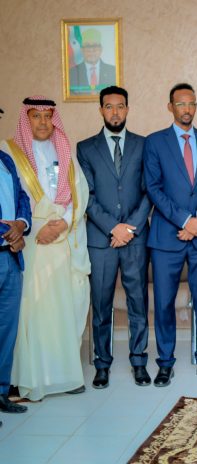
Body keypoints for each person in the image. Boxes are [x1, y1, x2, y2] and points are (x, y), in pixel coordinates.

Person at [0, 96, 90, 400]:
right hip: (29, 242)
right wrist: (36, 228)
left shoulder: (64, 151)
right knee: (31, 311)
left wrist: (63, 222)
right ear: (26, 119)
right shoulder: (10, 152)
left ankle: (64, 376)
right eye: (35, 116)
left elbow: (80, 193)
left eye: (47, 116)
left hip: (60, 240)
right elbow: (12, 198)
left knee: (61, 309)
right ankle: (26, 378)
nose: (42, 122)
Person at [144, 83, 197, 386]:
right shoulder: (155, 142)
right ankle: (165, 362)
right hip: (167, 237)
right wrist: (184, 220)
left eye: (191, 104)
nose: (187, 109)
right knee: (164, 303)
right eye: (181, 104)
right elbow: (153, 188)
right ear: (170, 107)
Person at [76, 86, 151, 389]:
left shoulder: (144, 145)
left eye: (120, 106)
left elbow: (149, 191)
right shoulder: (85, 148)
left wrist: (129, 228)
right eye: (109, 107)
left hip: (135, 239)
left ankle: (139, 361)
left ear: (127, 109)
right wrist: (113, 228)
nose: (115, 112)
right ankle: (102, 364)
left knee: (138, 301)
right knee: (102, 303)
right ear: (101, 110)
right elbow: (87, 195)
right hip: (101, 240)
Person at [0, 149, 31, 421]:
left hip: (10, 258)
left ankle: (1, 393)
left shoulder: (5, 159)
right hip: (9, 244)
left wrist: (21, 225)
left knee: (7, 331)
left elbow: (22, 197)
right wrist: (9, 235)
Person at [69, 28, 117, 95]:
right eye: (87, 46)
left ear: (101, 49)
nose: (91, 50)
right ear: (82, 50)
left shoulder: (113, 71)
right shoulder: (71, 73)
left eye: (95, 45)